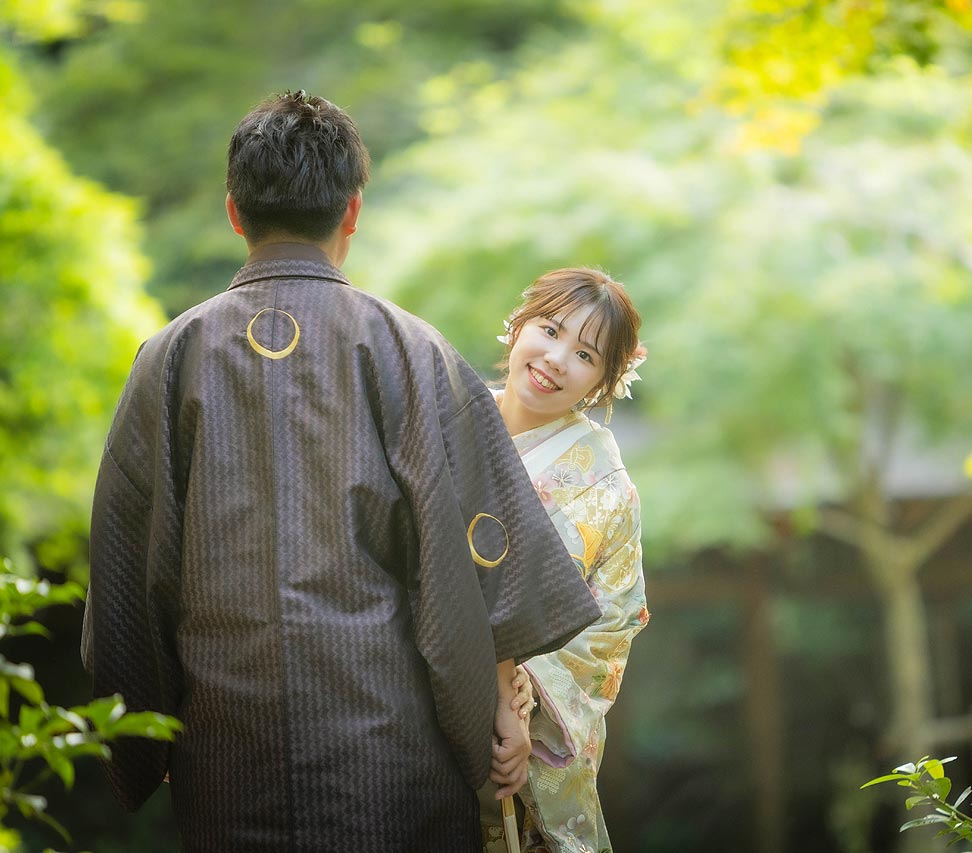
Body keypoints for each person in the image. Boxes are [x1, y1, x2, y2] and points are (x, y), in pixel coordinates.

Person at [80, 91, 600, 853]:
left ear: (233, 212)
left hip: (230, 759)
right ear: (352, 211)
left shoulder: (170, 357)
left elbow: (128, 569)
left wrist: (143, 733)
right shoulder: (411, 351)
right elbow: (483, 550)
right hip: (391, 758)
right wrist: (498, 700)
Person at [479, 268, 650, 853]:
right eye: (549, 330)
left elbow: (613, 622)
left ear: (605, 381)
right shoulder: (448, 424)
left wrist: (524, 688)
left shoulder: (606, 487)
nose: (555, 359)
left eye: (585, 355)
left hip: (517, 722)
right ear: (518, 326)